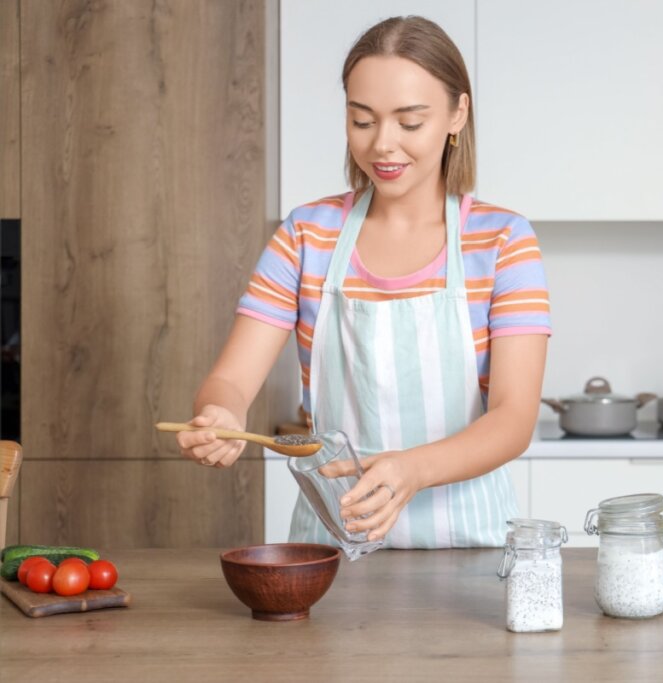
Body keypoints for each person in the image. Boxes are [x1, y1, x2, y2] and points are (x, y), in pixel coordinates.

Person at [175, 16, 550, 548]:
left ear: (456, 114)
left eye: (410, 122)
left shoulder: (503, 241)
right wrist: (220, 414)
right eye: (363, 120)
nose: (383, 145)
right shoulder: (306, 235)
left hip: (472, 550)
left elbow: (513, 420)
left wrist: (412, 471)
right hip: (333, 548)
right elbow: (231, 380)